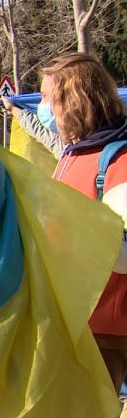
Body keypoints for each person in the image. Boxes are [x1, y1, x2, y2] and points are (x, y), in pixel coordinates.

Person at [40, 53, 127, 397]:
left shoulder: (117, 159)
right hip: (79, 323)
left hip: (109, 331)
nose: (43, 107)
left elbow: (122, 255)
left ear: (73, 100)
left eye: (48, 98)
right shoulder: (72, 154)